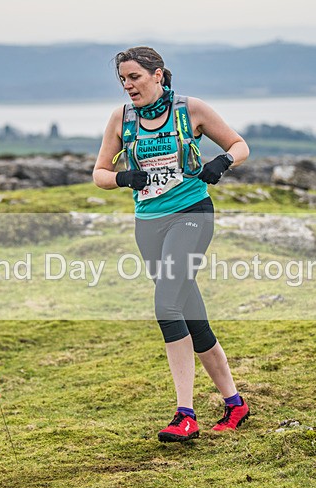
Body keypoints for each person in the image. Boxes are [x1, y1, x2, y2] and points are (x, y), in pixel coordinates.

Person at [93, 46, 250, 442]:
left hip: (192, 214)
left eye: (135, 77)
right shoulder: (121, 119)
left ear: (158, 75)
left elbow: (239, 145)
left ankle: (185, 414)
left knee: (166, 306)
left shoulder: (190, 109)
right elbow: (99, 174)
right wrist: (125, 179)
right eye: (123, 80)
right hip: (148, 225)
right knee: (190, 315)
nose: (129, 86)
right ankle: (235, 404)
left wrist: (221, 164)